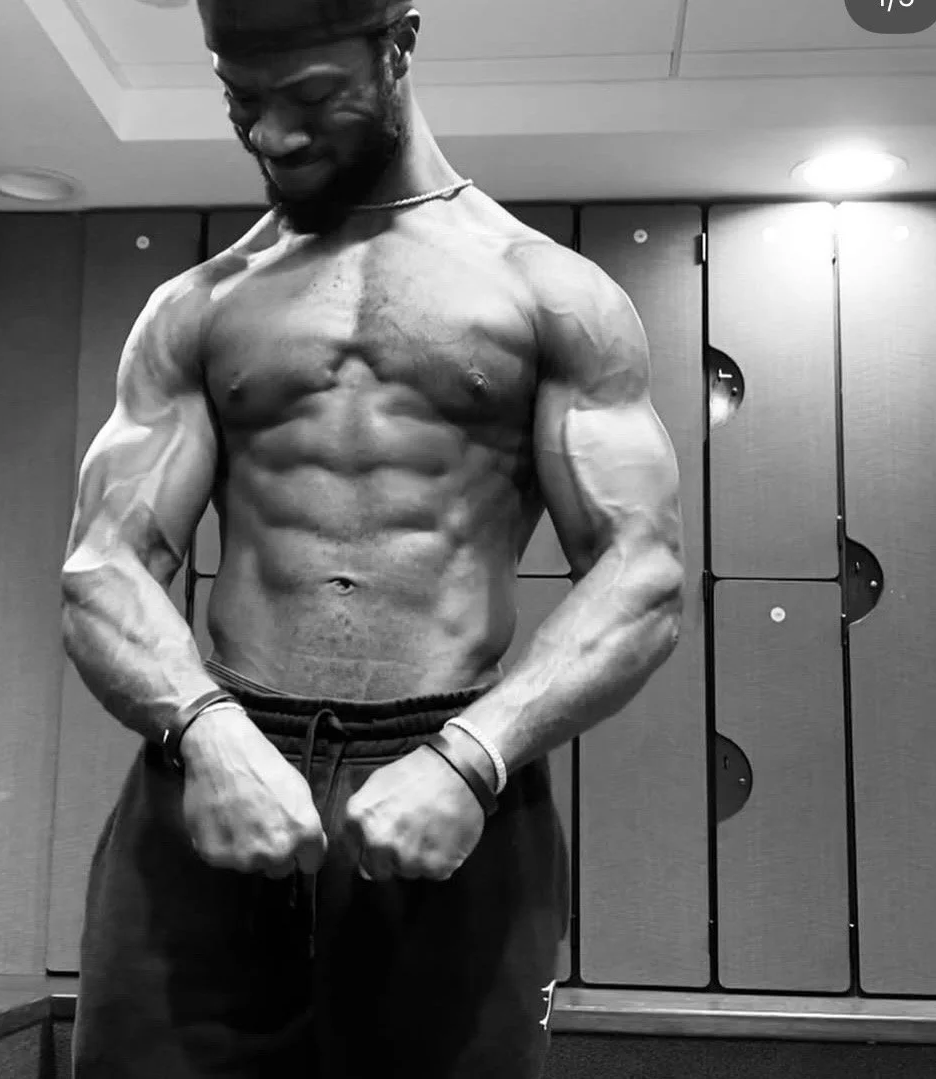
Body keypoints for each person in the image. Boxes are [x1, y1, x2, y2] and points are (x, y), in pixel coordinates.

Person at [60, 1, 685, 1076]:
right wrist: (207, 734)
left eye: (309, 98)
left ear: (397, 48)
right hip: (219, 763)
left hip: (450, 776)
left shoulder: (550, 294)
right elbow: (102, 565)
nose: (272, 137)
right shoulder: (197, 307)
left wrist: (472, 757)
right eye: (241, 103)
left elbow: (645, 576)